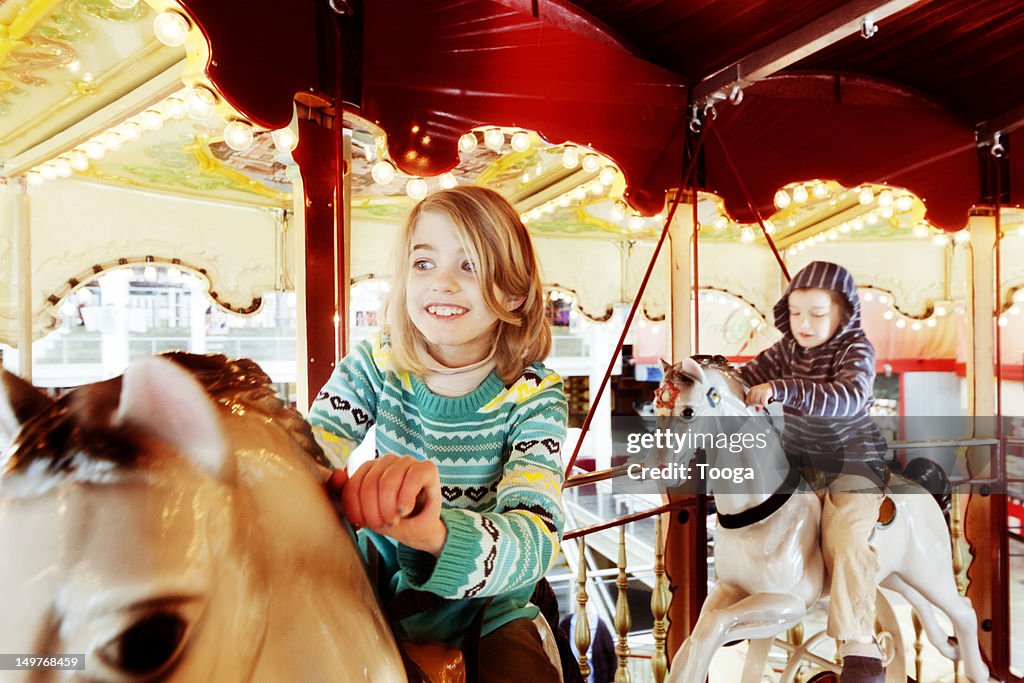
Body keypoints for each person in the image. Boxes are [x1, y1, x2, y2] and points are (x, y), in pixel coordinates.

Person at [309, 186, 567, 683]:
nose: (442, 283)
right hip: (377, 583)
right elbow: (312, 445)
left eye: (469, 266)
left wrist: (436, 533)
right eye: (423, 263)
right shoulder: (377, 362)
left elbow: (538, 536)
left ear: (513, 292)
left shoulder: (533, 395)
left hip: (488, 607)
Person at [739, 261, 888, 683]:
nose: (804, 323)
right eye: (797, 312)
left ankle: (859, 642)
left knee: (845, 534)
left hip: (852, 462)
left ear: (843, 313)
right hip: (801, 462)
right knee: (751, 514)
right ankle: (743, 597)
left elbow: (849, 398)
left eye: (817, 314)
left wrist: (784, 388)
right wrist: (700, 379)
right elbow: (744, 378)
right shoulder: (785, 350)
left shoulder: (855, 348)